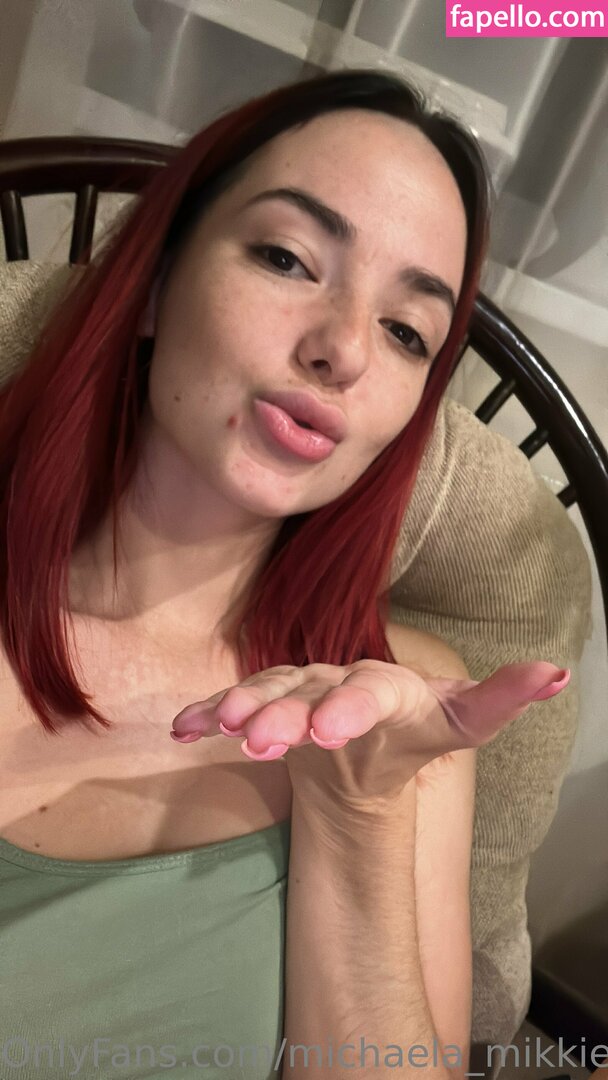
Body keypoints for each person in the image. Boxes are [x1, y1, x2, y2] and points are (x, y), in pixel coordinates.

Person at [0, 69, 569, 1079]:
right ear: (157, 281)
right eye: (286, 258)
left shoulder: (402, 708)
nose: (344, 350)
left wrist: (358, 817)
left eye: (406, 333)